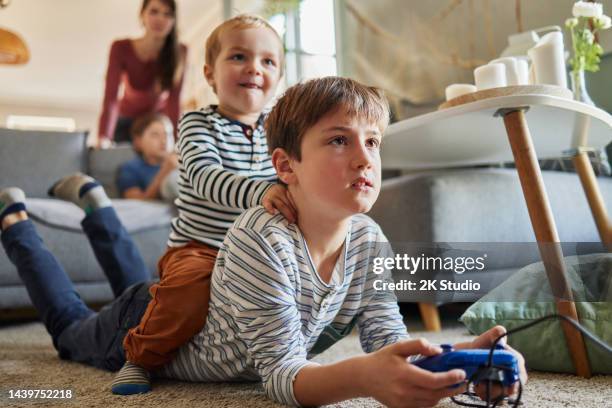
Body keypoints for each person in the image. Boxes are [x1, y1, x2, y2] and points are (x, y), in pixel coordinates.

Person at [0, 76, 527, 408]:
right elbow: (280, 378)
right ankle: (17, 225)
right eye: (339, 140)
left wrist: (453, 362)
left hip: (190, 301)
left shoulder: (369, 239)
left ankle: (95, 209)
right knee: (69, 330)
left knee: (136, 281)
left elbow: (385, 337)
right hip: (142, 331)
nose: (365, 159)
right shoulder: (263, 240)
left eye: (372, 141)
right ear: (285, 166)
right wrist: (364, 380)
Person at [111, 14, 295, 393]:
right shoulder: (197, 123)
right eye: (239, 57)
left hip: (257, 250)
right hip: (201, 247)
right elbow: (203, 175)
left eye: (267, 61)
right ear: (210, 74)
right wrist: (261, 191)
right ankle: (140, 358)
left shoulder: (279, 133)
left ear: (278, 76)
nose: (254, 69)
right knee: (187, 295)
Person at [98, 0, 187, 146]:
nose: (160, 19)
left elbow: (174, 102)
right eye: (154, 12)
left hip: (157, 125)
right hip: (125, 122)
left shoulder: (180, 52)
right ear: (142, 15)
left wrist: (177, 143)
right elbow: (111, 98)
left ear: (174, 21)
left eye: (168, 14)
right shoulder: (121, 48)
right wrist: (104, 137)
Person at [116, 113, 178, 201]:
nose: (164, 140)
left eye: (168, 134)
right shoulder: (130, 168)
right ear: (138, 141)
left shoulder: (184, 160)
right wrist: (165, 171)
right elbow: (137, 203)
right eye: (155, 135)